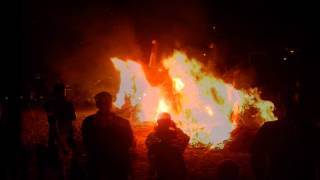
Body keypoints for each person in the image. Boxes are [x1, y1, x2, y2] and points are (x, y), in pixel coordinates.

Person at [82, 91, 133, 180]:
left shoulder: (88, 121)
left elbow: (128, 142)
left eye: (106, 102)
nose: (103, 105)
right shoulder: (88, 122)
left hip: (113, 162)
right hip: (100, 162)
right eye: (101, 102)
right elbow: (87, 141)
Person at [45, 83, 76, 179]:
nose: (63, 93)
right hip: (58, 136)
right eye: (63, 91)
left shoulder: (51, 104)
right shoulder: (65, 105)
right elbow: (53, 123)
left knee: (62, 162)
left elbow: (70, 122)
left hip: (60, 135)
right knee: (60, 161)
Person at [146, 112, 190, 180]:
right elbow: (186, 139)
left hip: (159, 167)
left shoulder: (152, 136)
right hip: (174, 166)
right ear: (170, 122)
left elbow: (149, 149)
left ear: (158, 122)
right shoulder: (177, 135)